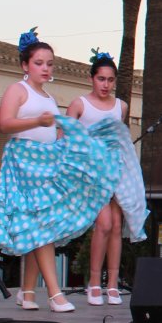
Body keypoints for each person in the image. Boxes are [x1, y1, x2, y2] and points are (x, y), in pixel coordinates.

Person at [0, 28, 121, 313]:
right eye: (39, 63)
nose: (45, 68)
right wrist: (37, 120)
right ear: (25, 65)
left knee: (41, 225)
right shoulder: (17, 90)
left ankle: (27, 291)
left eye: (49, 64)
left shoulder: (47, 96)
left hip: (45, 160)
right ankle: (54, 292)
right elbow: (5, 123)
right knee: (41, 227)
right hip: (24, 161)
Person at [65, 49, 149, 307]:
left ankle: (112, 284)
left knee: (115, 224)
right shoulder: (79, 104)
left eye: (110, 80)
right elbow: (66, 138)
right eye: (101, 79)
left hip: (117, 170)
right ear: (92, 78)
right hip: (92, 172)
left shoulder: (120, 106)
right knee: (102, 223)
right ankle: (93, 282)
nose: (106, 84)